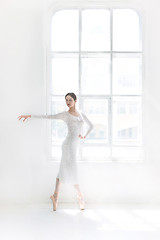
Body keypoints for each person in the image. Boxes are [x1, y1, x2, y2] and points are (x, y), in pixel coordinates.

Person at [18, 92, 94, 211]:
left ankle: (55, 197)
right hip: (68, 146)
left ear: (75, 100)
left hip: (74, 146)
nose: (68, 102)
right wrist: (30, 116)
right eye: (66, 100)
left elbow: (91, 126)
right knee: (71, 171)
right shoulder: (65, 115)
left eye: (70, 100)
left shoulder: (81, 114)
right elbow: (48, 116)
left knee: (62, 172)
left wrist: (84, 135)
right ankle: (80, 197)